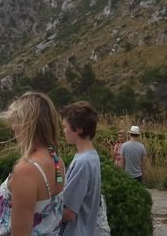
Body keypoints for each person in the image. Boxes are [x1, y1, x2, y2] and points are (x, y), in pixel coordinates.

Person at [0, 91, 65, 235]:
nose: (13, 127)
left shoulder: (27, 170)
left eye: (15, 120)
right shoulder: (56, 159)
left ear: (28, 123)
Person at [60, 101, 101, 236]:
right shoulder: (90, 156)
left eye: (65, 127)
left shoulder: (83, 162)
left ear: (78, 129)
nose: (63, 131)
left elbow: (68, 212)